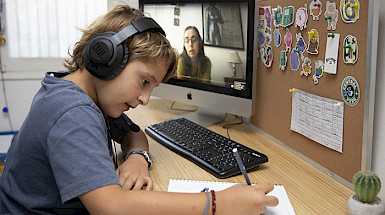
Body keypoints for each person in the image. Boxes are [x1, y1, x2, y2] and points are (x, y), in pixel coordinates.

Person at [0, 4, 278, 214]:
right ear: (106, 57)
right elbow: (110, 207)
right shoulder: (72, 112)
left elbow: (133, 132)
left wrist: (137, 157)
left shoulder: (81, 93)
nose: (145, 99)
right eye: (144, 81)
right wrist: (216, 203)